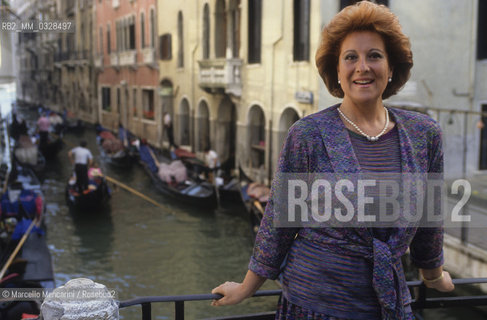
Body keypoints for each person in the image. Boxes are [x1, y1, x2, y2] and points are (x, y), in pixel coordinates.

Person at [211, 2, 454, 319]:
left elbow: (428, 221)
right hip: (314, 305)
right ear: (337, 71)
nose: (362, 67)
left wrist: (433, 275)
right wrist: (246, 287)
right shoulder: (308, 134)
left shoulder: (424, 134)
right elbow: (280, 219)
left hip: (387, 302)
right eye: (350, 57)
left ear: (392, 67)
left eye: (374, 56)